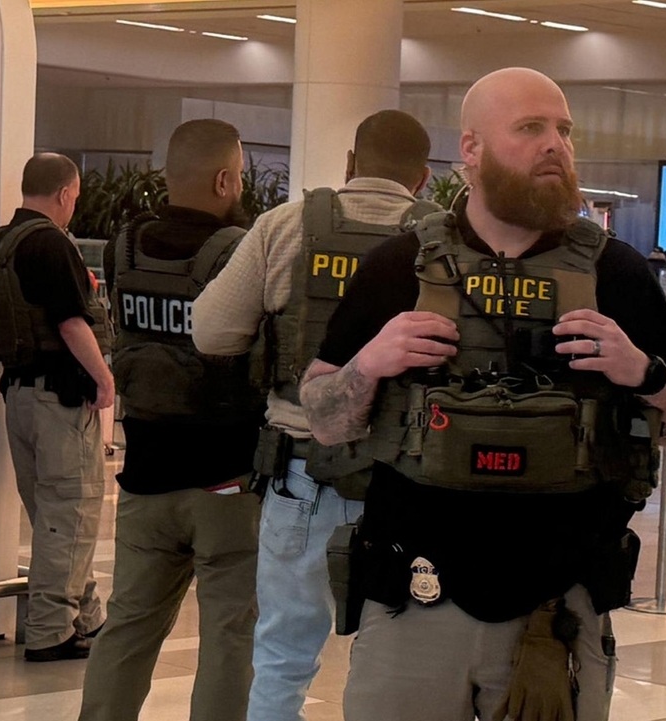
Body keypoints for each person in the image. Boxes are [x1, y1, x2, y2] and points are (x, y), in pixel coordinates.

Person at [299, 68, 666, 721]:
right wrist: (370, 363)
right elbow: (322, 418)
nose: (556, 145)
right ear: (472, 148)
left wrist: (647, 375)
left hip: (557, 610)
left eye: (564, 130)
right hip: (414, 594)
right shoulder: (397, 266)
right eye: (530, 128)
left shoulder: (617, 273)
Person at [193, 109, 439, 721]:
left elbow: (211, 332)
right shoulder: (445, 240)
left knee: (282, 656)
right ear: (424, 178)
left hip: (303, 472)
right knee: (402, 665)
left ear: (351, 164)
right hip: (410, 479)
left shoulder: (285, 225)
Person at [78, 120, 265, 721]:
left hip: (145, 476)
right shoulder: (241, 251)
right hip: (226, 482)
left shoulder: (124, 246)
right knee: (229, 635)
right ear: (224, 180)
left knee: (129, 625)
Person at [0, 153, 113, 662]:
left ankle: (87, 617)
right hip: (59, 399)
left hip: (18, 394)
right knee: (72, 511)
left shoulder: (2, 243)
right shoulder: (51, 243)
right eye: (75, 197)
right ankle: (51, 630)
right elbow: (71, 323)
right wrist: (104, 379)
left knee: (57, 518)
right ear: (64, 193)